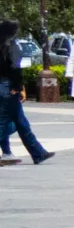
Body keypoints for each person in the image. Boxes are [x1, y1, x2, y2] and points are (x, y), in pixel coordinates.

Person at [0, 20, 50, 165]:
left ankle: (38, 153)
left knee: (21, 123)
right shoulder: (12, 45)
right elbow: (15, 68)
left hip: (3, 86)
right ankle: (35, 153)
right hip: (8, 88)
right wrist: (18, 87)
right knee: (4, 123)